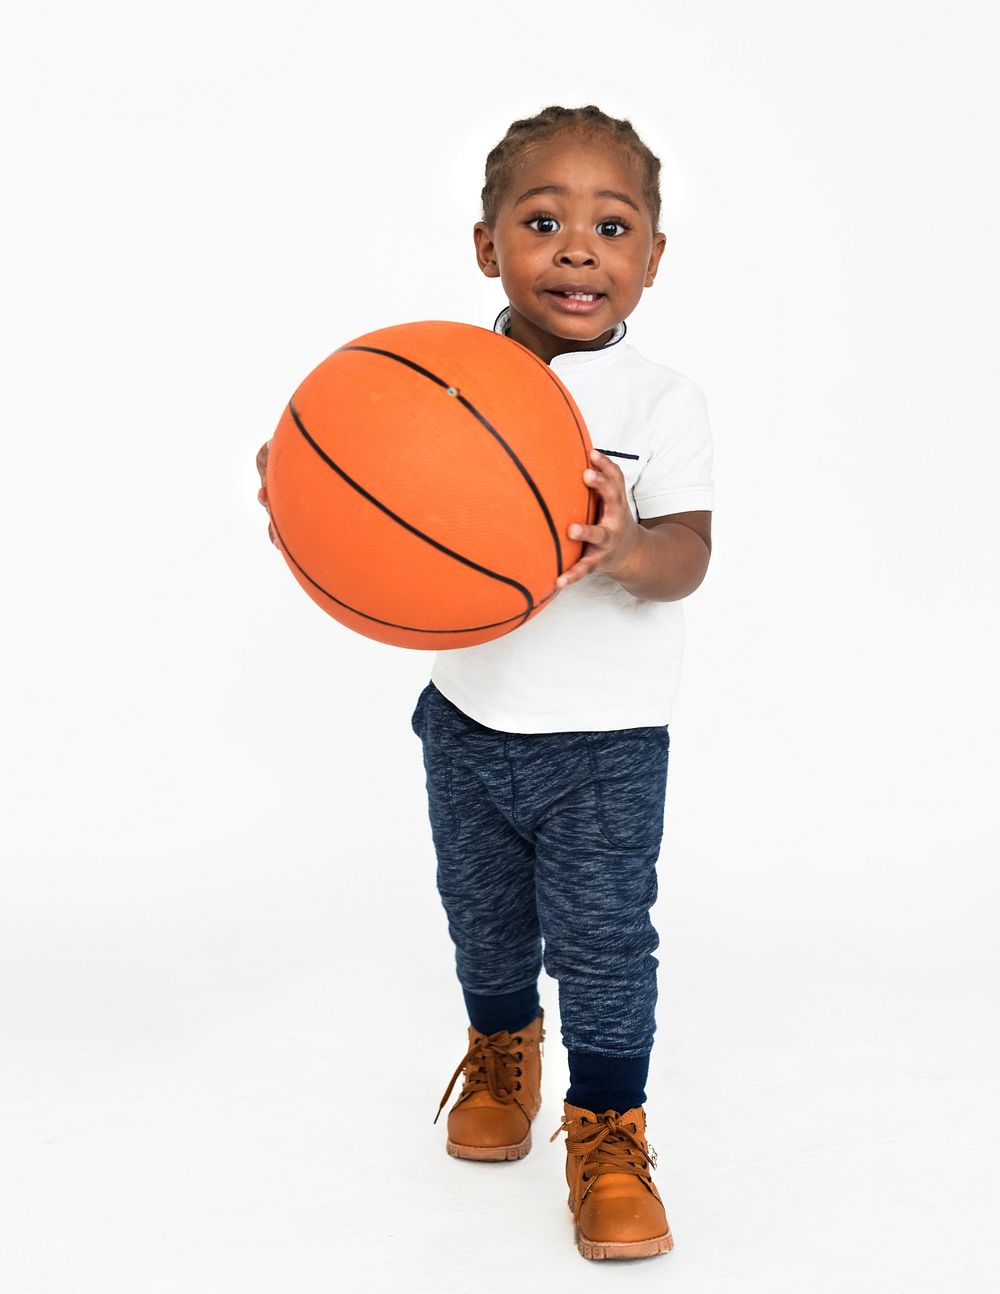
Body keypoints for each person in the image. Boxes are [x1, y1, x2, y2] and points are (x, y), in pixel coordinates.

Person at [256, 103, 714, 1263]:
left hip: (605, 742)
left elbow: (688, 560)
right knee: (485, 924)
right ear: (486, 246)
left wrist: (626, 546)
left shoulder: (660, 403)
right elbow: (367, 509)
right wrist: (317, 489)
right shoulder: (431, 383)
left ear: (652, 258)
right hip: (465, 720)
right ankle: (502, 1054)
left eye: (612, 227)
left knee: (606, 945)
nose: (577, 248)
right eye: (542, 219)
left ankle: (609, 1132)